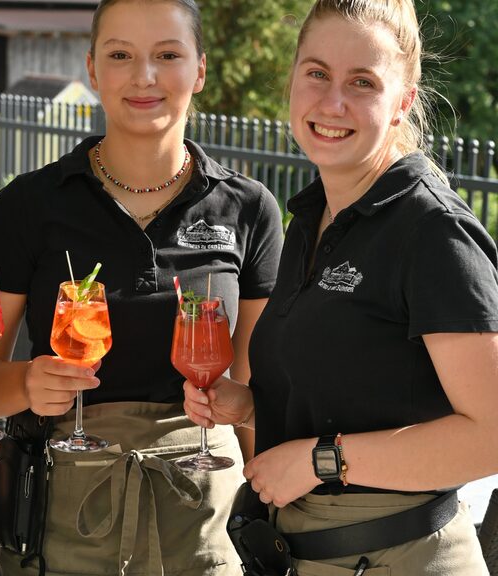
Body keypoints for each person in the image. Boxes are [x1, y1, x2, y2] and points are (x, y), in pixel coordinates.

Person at [185, 0, 498, 573]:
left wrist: (322, 461)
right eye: (317, 73)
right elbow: (356, 394)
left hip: (401, 557)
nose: (332, 103)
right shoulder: (314, 219)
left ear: (403, 101)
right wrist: (249, 407)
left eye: (362, 82)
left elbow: (491, 436)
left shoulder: (431, 230)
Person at [0, 1, 283, 574]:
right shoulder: (28, 205)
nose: (144, 76)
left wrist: (270, 521)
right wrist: (28, 382)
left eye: (167, 55)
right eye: (121, 56)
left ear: (199, 70)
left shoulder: (249, 209)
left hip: (202, 524)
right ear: (93, 69)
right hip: (62, 520)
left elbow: (254, 392)